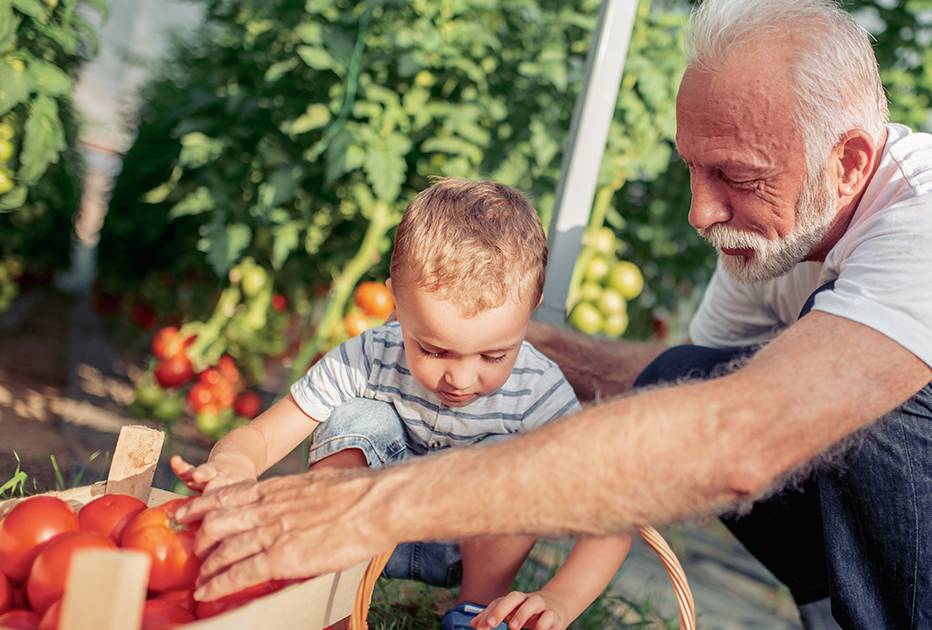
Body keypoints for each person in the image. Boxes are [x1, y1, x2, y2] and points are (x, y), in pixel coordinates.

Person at [177, 1, 932, 628]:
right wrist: (532, 348)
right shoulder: (780, 226)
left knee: (862, 396)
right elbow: (694, 391)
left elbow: (741, 442)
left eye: (735, 176)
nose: (702, 210)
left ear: (849, 159)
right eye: (693, 169)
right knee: (691, 379)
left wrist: (369, 508)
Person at [170, 177, 630, 630]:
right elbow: (262, 435)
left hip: (467, 543)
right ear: (396, 301)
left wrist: (560, 599)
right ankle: (330, 589)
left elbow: (613, 515)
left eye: (494, 355)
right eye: (433, 350)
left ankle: (475, 612)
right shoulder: (369, 355)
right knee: (356, 419)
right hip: (362, 528)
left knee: (517, 462)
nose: (461, 378)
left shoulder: (539, 391)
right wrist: (232, 468)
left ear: (532, 308)